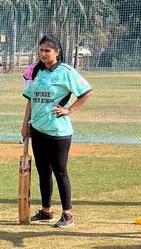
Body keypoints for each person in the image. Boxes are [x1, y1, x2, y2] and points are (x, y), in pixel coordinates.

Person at [21, 35, 93, 228]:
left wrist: (69, 109)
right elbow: (30, 99)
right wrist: (25, 124)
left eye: (48, 50)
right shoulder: (37, 71)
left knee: (60, 171)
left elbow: (86, 92)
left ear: (57, 52)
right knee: (43, 171)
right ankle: (46, 211)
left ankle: (68, 214)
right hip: (37, 129)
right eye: (41, 50)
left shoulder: (66, 71)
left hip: (59, 132)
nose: (43, 54)